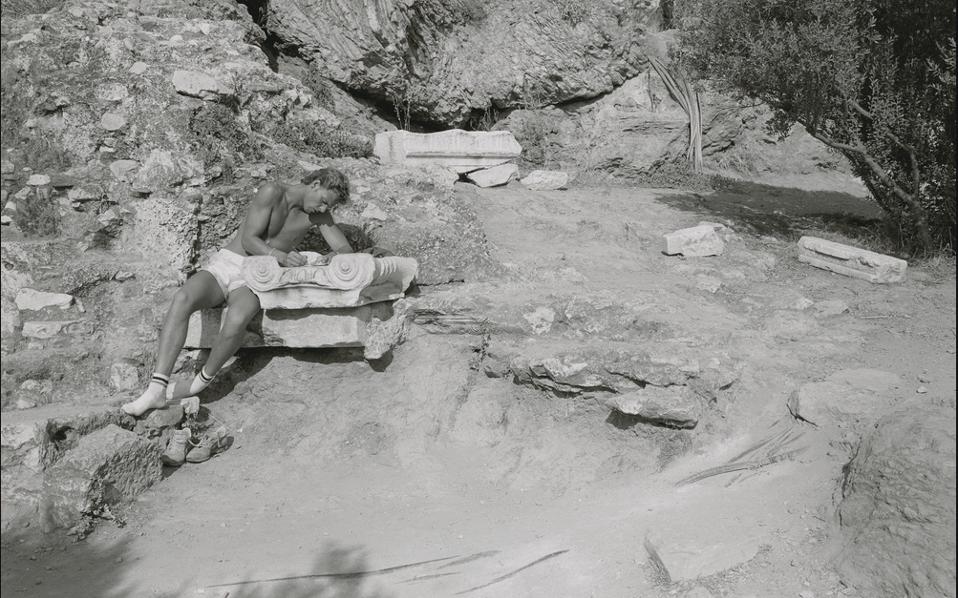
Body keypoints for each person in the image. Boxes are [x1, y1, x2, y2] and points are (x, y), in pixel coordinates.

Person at [122, 168, 354, 417]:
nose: (323, 209)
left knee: (238, 318)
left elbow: (345, 250)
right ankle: (156, 389)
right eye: (323, 201)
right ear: (315, 184)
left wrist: (330, 256)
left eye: (328, 206)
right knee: (183, 298)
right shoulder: (272, 192)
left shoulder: (319, 215)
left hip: (257, 277)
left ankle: (197, 385)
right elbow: (249, 240)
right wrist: (281, 256)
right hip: (230, 263)